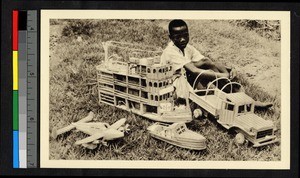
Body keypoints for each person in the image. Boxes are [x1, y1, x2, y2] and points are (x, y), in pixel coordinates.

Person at [160, 19, 272, 109]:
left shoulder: (188, 48)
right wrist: (222, 76)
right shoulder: (170, 51)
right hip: (174, 83)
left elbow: (206, 62)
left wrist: (228, 69)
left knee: (207, 65)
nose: (183, 39)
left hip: (187, 75)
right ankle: (229, 100)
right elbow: (194, 70)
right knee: (208, 82)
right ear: (171, 38)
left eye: (185, 35)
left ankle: (245, 100)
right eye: (178, 37)